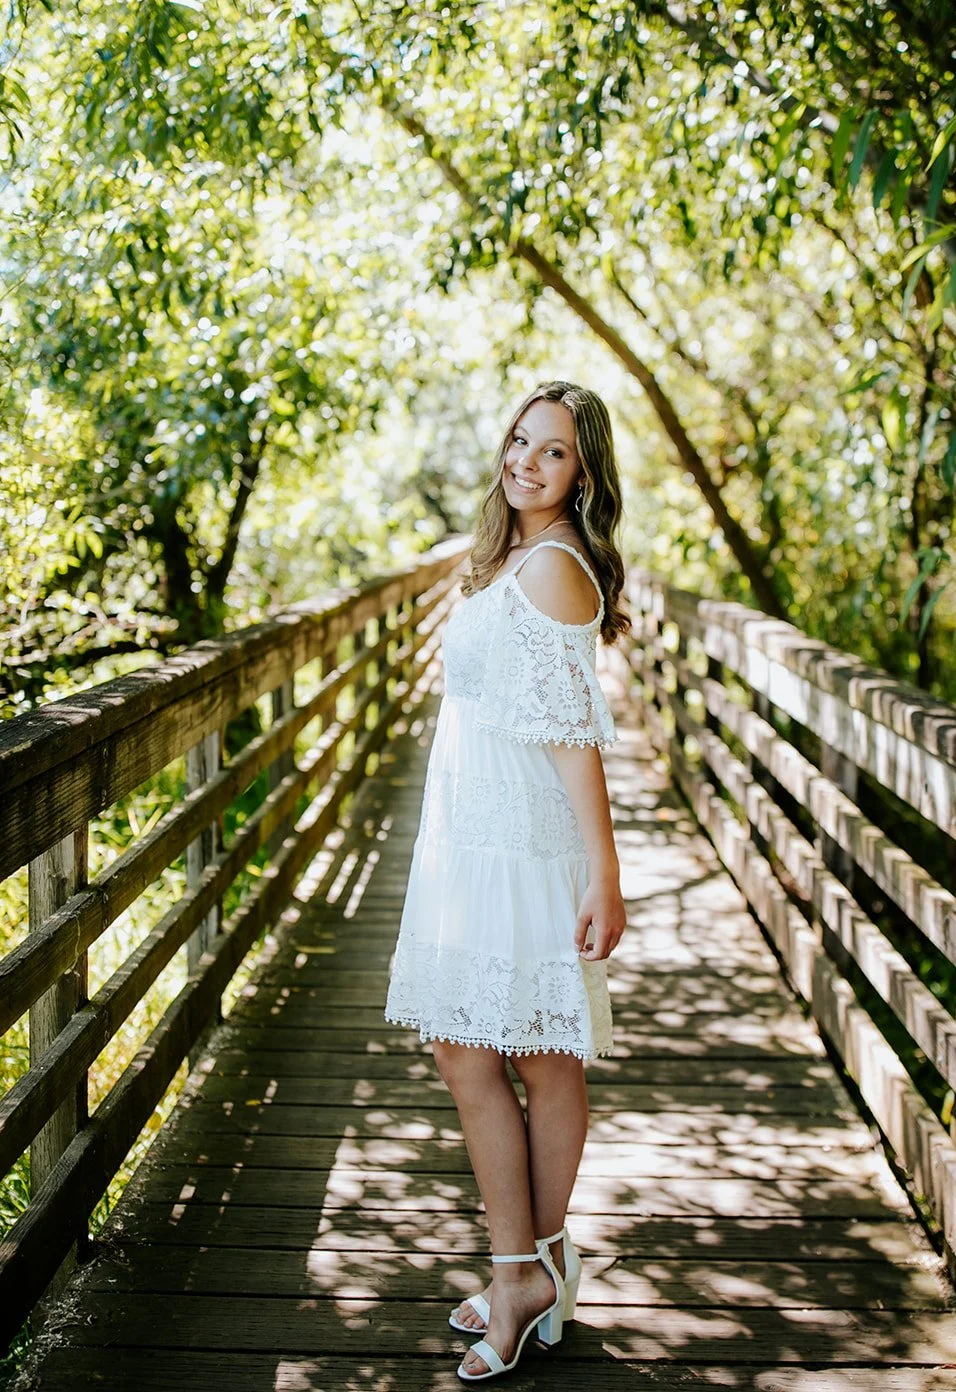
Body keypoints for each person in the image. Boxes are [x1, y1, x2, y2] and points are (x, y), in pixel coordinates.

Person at [384, 378, 630, 1381]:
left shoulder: (556, 568)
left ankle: (522, 1271)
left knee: (535, 1054)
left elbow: (573, 739)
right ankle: (534, 1264)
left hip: (521, 846)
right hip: (470, 837)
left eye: (554, 449)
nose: (527, 460)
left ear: (583, 473)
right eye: (521, 440)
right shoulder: (513, 558)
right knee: (473, 1048)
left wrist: (604, 873)